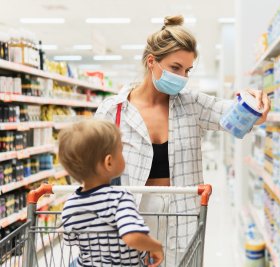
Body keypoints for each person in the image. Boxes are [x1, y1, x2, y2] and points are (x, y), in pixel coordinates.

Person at [94, 15, 270, 265]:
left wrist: (255, 109)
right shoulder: (114, 110)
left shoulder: (191, 103)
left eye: (187, 70)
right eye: (175, 68)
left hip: (182, 211)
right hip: (131, 213)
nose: (182, 77)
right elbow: (92, 168)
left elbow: (232, 114)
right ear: (151, 61)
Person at [58, 120, 164, 267]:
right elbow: (132, 236)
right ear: (109, 162)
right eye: (120, 150)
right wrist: (155, 246)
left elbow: (70, 238)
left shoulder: (70, 205)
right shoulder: (120, 198)